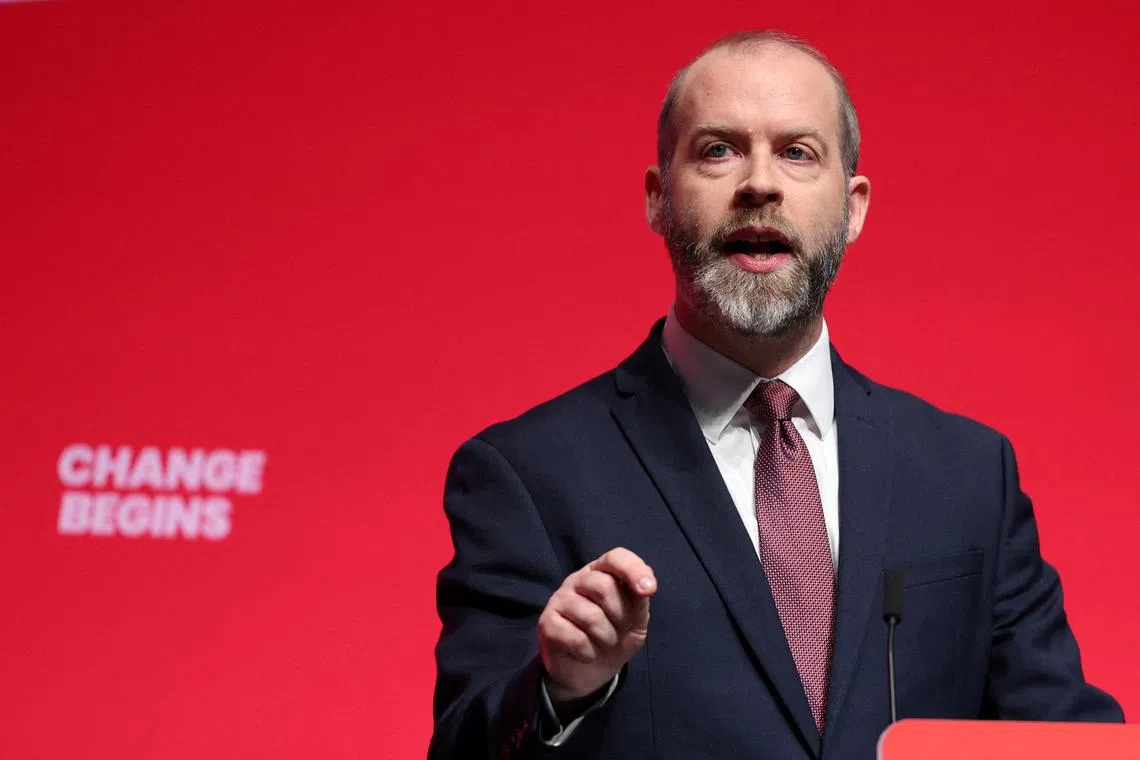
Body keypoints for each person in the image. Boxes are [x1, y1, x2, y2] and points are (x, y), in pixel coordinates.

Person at [427, 30, 1123, 760]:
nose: (760, 183)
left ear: (853, 208)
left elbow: (1063, 739)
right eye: (719, 150)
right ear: (658, 200)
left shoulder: (971, 474)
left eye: (798, 152)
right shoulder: (526, 474)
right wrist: (558, 688)